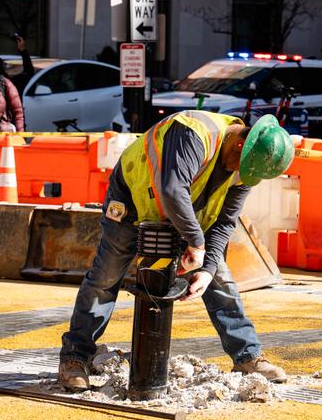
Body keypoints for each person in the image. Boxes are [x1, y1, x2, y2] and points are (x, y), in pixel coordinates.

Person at [58, 110, 294, 392]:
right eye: (237, 166)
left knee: (220, 280)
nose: (236, 174)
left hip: (184, 213)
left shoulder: (244, 171)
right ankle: (75, 357)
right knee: (106, 277)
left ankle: (247, 356)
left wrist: (206, 268)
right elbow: (171, 189)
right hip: (132, 200)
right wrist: (196, 241)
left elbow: (225, 222)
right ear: (241, 144)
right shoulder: (194, 133)